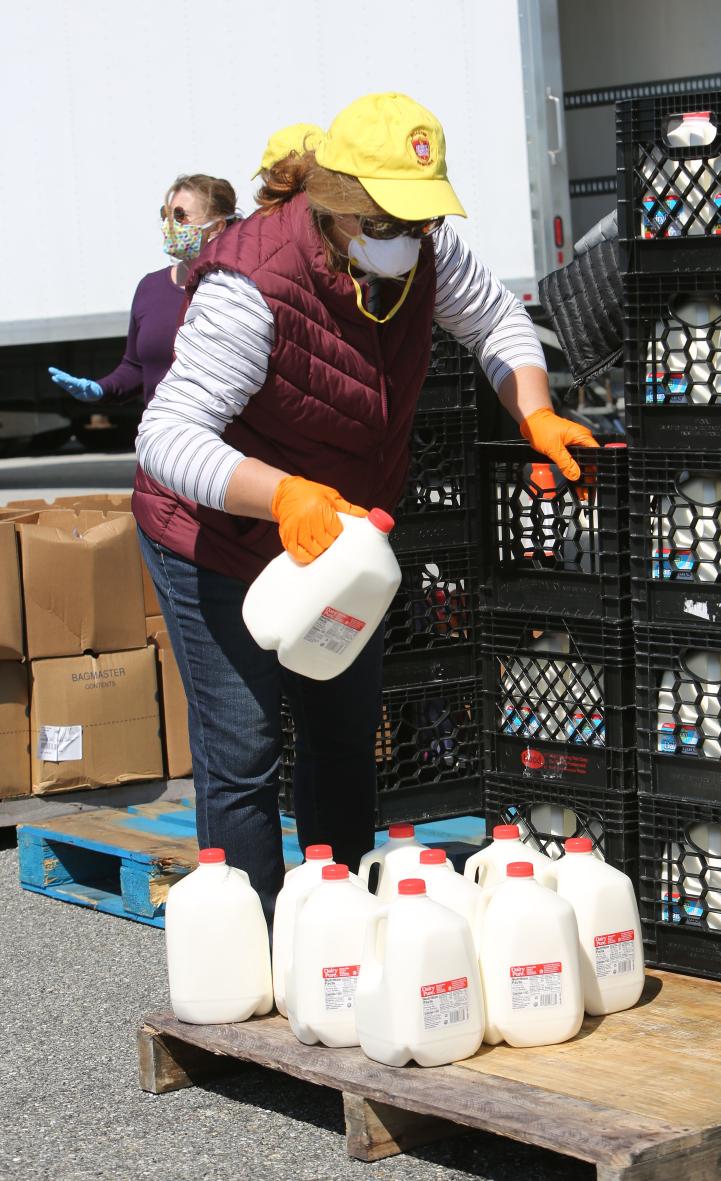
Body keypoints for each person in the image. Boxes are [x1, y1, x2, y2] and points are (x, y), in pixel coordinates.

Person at [134, 92, 598, 924]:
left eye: (422, 222)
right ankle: (260, 954)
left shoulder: (419, 249)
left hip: (339, 546)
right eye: (393, 222)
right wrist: (280, 493)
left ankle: (335, 930)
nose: (414, 239)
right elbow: (166, 435)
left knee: (345, 734)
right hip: (216, 538)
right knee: (245, 750)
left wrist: (533, 407)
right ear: (341, 209)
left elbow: (496, 319)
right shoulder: (250, 286)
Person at [47, 175, 239, 409]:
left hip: (219, 439)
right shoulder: (150, 287)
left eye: (180, 216)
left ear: (217, 227)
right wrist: (100, 389)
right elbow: (136, 368)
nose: (170, 225)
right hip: (163, 437)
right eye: (165, 215)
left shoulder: (236, 288)